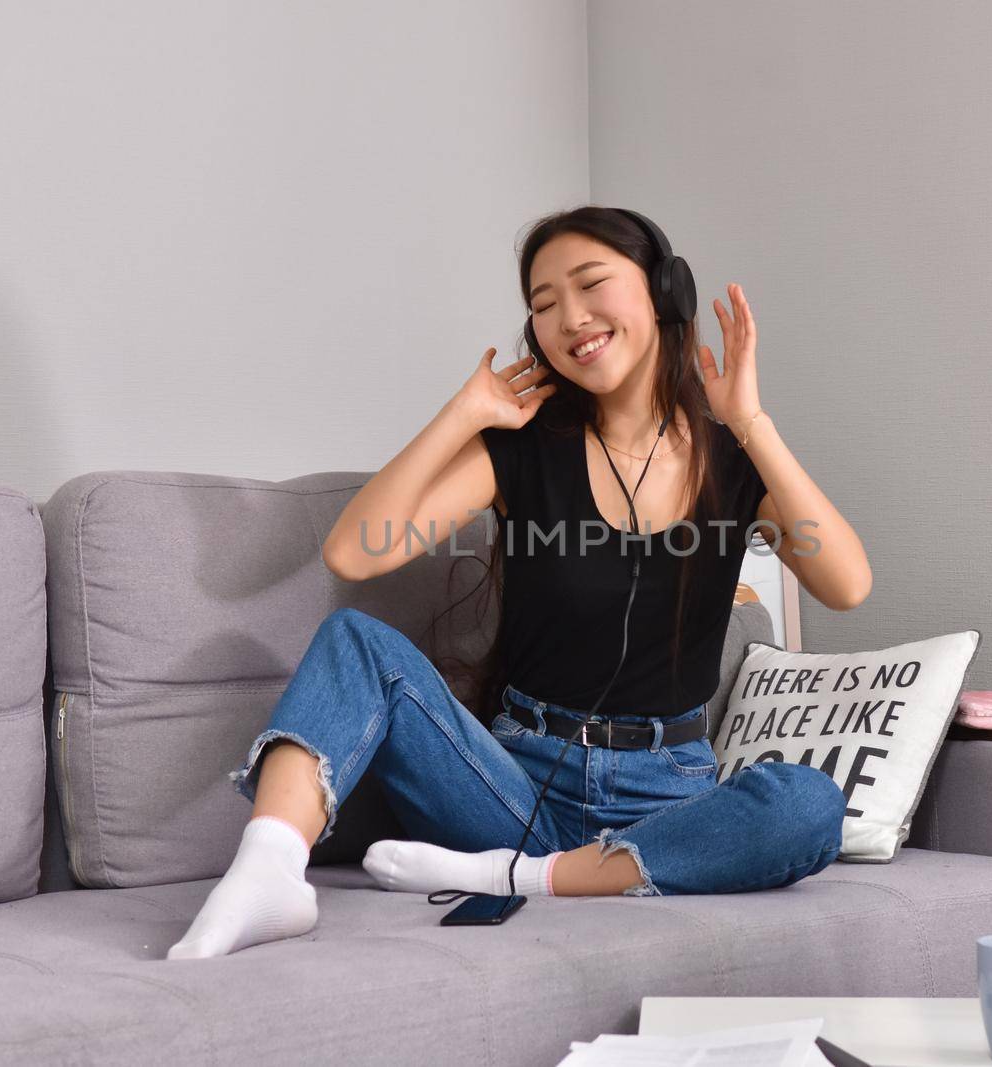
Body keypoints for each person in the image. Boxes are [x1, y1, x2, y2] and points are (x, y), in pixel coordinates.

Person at [166, 206, 873, 960]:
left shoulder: (733, 462)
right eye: (542, 305)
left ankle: (528, 877)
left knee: (810, 806)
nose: (569, 318)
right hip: (511, 783)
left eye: (590, 284)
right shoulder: (524, 449)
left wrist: (752, 422)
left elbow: (847, 584)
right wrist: (463, 413)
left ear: (665, 291)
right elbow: (354, 551)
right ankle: (269, 870)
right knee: (357, 641)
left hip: (668, 802)